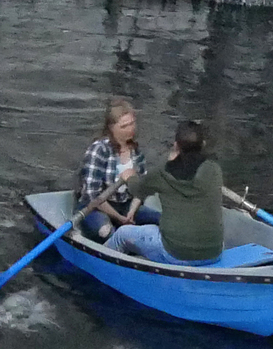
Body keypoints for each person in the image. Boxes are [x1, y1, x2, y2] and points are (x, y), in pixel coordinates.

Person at [106, 119, 227, 266]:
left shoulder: (163, 172)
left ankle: (99, 265)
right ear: (203, 145)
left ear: (176, 146)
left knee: (122, 234)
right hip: (214, 252)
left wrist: (129, 176)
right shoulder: (214, 169)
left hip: (175, 253)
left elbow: (137, 189)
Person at [73, 97, 159, 243]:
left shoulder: (136, 152)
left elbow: (141, 188)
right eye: (124, 126)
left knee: (161, 221)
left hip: (126, 205)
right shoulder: (99, 150)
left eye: (132, 124)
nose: (130, 130)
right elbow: (92, 195)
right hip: (95, 207)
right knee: (105, 232)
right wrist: (119, 219)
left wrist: (131, 212)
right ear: (112, 128)